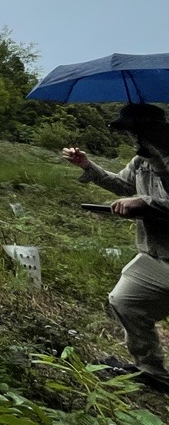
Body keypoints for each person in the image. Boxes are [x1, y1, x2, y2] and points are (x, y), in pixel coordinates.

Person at [63, 102, 169, 389]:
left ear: (156, 129)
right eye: (130, 133)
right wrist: (87, 166)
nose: (133, 139)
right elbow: (123, 186)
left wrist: (144, 203)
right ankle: (151, 371)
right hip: (156, 256)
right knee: (125, 301)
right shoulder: (140, 162)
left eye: (136, 131)